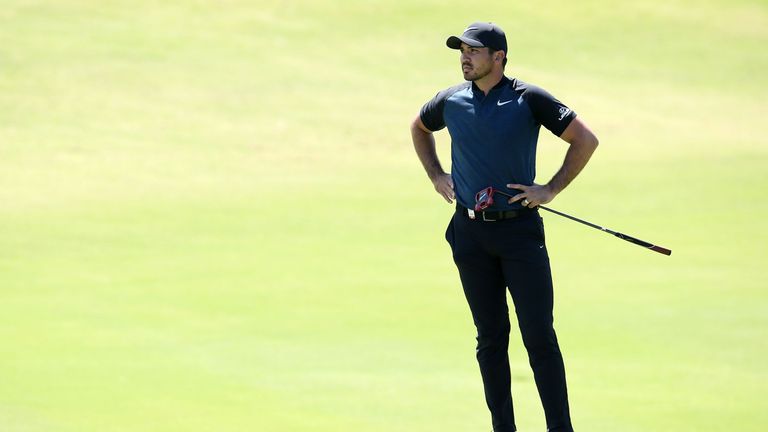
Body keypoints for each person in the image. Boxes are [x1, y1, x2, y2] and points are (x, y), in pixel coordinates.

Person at [410, 22, 599, 432]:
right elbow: (419, 128)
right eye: (461, 51)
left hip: (519, 234)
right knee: (490, 340)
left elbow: (585, 140)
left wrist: (550, 188)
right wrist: (436, 176)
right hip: (470, 233)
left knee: (539, 338)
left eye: (474, 51)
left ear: (499, 57)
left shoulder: (528, 98)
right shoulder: (451, 100)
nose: (464, 57)